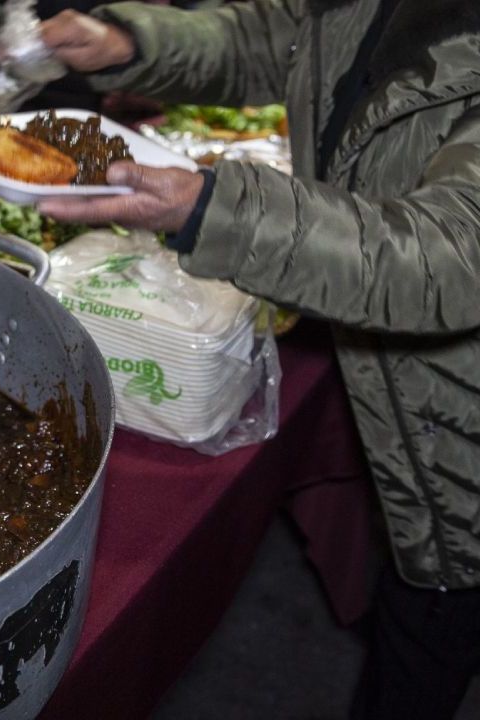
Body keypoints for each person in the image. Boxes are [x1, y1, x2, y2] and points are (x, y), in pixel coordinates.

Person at [30, 2, 480, 718]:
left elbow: (447, 259)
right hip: (391, 379)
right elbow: (271, 39)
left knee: (428, 636)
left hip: (459, 439)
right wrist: (129, 41)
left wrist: (214, 210)